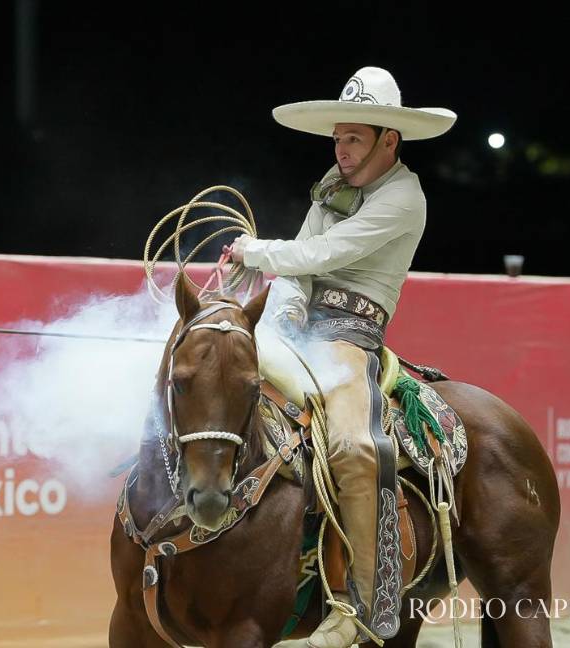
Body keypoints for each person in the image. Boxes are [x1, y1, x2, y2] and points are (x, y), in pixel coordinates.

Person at [229, 66, 456, 647]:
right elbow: (301, 270)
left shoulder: (404, 197)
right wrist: (280, 317)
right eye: (338, 138)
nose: (342, 149)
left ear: (389, 141)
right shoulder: (333, 185)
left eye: (354, 138)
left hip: (352, 338)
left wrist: (256, 252)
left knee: (355, 448)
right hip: (300, 329)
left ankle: (361, 606)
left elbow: (325, 252)